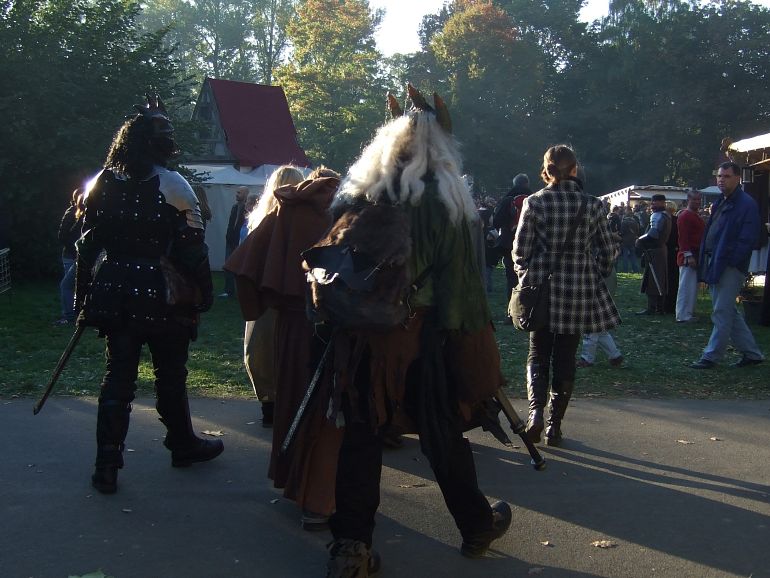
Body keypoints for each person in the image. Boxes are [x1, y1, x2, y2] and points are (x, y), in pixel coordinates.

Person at [322, 85, 512, 576]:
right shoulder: (444, 200)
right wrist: (470, 353)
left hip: (363, 338)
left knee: (361, 439)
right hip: (422, 337)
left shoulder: (361, 191)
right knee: (442, 434)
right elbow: (461, 290)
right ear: (439, 146)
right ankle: (476, 526)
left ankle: (350, 548)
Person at [74, 96, 221, 494]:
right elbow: (193, 249)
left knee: (118, 377)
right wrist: (204, 293)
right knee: (169, 374)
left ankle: (107, 465)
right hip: (162, 295)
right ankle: (182, 445)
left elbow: (86, 246)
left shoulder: (102, 181)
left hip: (115, 291)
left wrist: (82, 298)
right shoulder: (173, 185)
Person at [225, 165, 343, 531]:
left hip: (294, 326)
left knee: (295, 401)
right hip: (342, 329)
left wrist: (261, 305)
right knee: (333, 411)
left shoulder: (287, 210)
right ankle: (323, 497)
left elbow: (244, 267)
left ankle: (299, 485)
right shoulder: (349, 210)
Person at [512, 145, 620, 447]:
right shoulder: (593, 205)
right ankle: (554, 427)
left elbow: (520, 250)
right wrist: (594, 270)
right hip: (578, 289)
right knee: (566, 356)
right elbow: (608, 251)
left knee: (538, 353)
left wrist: (526, 276)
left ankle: (535, 414)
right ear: (574, 169)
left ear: (546, 171)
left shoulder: (534, 202)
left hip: (541, 288)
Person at [240, 165, 304, 428]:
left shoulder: (260, 220)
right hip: (290, 295)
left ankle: (270, 404)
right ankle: (288, 404)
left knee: (262, 349)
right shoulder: (300, 222)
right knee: (287, 348)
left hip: (265, 293)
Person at [690, 162, 764, 369]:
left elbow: (748, 237)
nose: (721, 180)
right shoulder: (721, 202)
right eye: (720, 176)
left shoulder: (746, 204)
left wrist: (732, 261)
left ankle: (711, 356)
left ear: (738, 178)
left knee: (721, 312)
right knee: (728, 311)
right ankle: (752, 354)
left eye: (727, 176)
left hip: (729, 265)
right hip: (716, 261)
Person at [494, 173, 532, 322]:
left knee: (511, 279)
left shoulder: (507, 200)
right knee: (529, 279)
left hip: (510, 245)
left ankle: (512, 313)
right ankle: (529, 312)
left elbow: (496, 221)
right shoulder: (534, 198)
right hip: (531, 245)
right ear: (527, 184)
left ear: (514, 184)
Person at [635, 194, 671, 315]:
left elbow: (653, 234)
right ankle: (659, 308)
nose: (652, 204)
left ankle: (653, 308)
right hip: (661, 250)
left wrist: (639, 239)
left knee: (653, 279)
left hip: (655, 251)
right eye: (652, 202)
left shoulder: (657, 215)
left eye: (655, 202)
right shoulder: (666, 215)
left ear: (662, 202)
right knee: (660, 279)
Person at [675, 190, 705, 323]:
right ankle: (682, 315)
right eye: (694, 199)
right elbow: (683, 237)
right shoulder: (685, 216)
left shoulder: (695, 215)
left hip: (696, 254)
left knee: (692, 287)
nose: (697, 202)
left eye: (699, 199)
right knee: (686, 286)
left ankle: (688, 313)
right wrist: (688, 255)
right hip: (689, 256)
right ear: (688, 200)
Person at [55, 188, 83, 325]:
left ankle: (70, 315)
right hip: (72, 255)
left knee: (68, 285)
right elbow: (63, 235)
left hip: (76, 255)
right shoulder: (72, 213)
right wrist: (75, 250)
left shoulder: (82, 213)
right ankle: (73, 314)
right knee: (71, 286)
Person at [221, 185, 248, 297]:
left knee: (240, 267)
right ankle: (229, 291)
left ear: (245, 194)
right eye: (237, 192)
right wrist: (228, 236)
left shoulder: (247, 208)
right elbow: (231, 224)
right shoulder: (235, 207)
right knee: (228, 265)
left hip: (240, 241)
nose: (237, 195)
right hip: (231, 240)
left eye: (239, 193)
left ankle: (240, 291)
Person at [619, 206, 641, 272]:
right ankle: (635, 269)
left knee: (625, 256)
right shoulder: (635, 222)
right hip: (633, 240)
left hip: (625, 240)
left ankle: (625, 269)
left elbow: (622, 232)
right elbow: (637, 231)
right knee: (633, 255)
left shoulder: (624, 222)